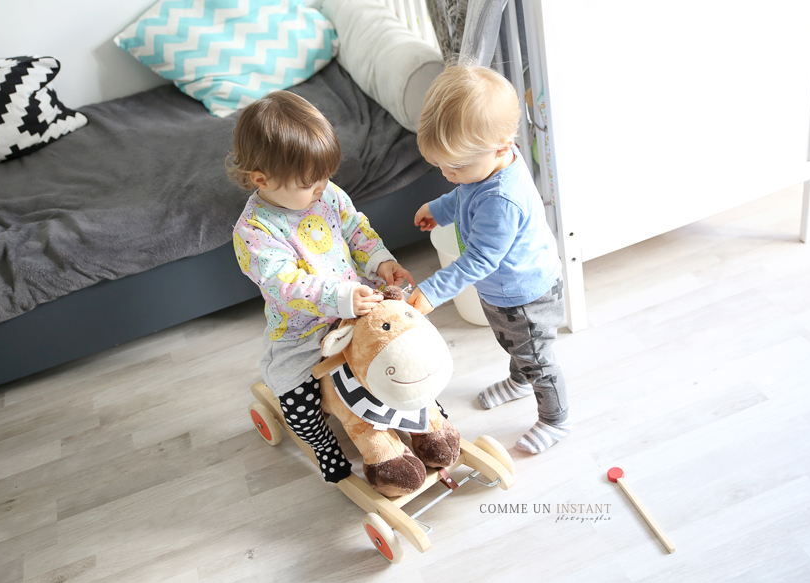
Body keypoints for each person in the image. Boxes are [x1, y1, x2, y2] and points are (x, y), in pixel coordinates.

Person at [228, 90, 413, 482]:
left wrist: (381, 262)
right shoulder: (254, 231)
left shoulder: (326, 193)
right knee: (295, 395)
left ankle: (418, 411)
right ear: (262, 180)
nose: (322, 189)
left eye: (325, 178)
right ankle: (323, 444)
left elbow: (355, 229)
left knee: (402, 345)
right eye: (310, 183)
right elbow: (287, 285)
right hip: (303, 330)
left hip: (358, 303)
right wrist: (340, 297)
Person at [407, 64, 569, 454]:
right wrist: (441, 208)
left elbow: (479, 258)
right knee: (516, 347)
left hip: (525, 297)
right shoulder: (486, 166)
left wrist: (431, 292)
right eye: (442, 167)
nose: (448, 175)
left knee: (537, 359)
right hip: (506, 293)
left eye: (456, 167)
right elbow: (466, 195)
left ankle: (555, 419)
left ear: (501, 145)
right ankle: (517, 381)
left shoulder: (501, 198)